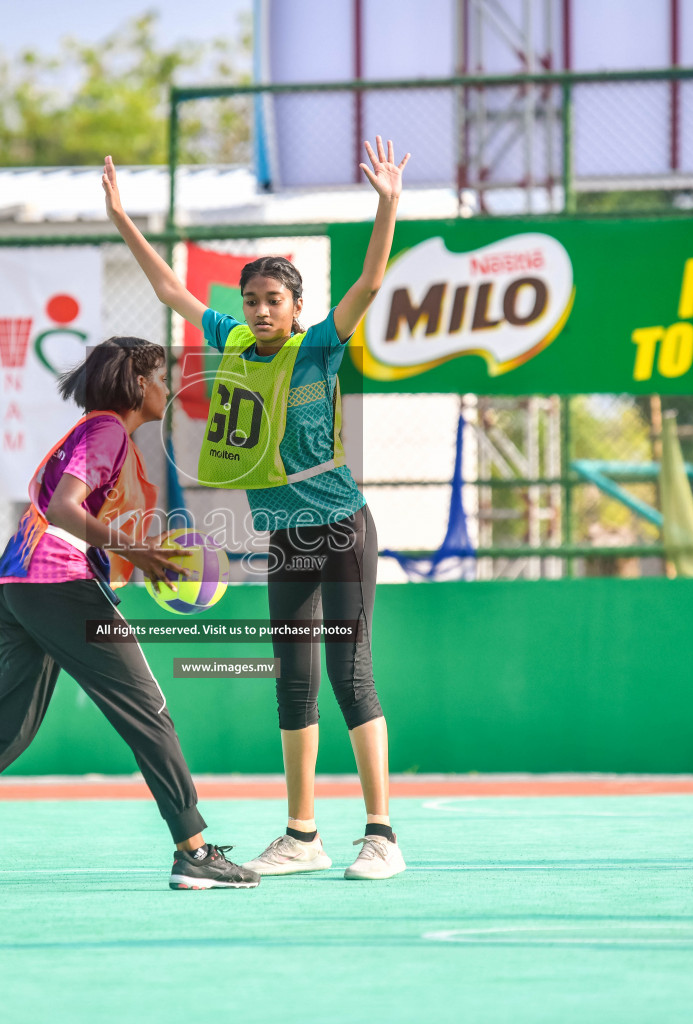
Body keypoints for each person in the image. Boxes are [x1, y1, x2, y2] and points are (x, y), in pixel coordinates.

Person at [103, 138, 409, 880]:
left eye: (275, 300)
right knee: (292, 680)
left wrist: (388, 204)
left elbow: (370, 282)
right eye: (253, 300)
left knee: (351, 675)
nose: (263, 310)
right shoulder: (233, 342)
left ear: (297, 308)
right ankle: (303, 835)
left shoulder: (319, 349)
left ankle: (382, 836)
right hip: (284, 535)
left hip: (339, 525)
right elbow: (174, 291)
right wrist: (122, 221)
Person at [0, 337, 259, 893]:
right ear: (136, 383)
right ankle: (194, 849)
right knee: (148, 710)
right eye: (160, 378)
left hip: (20, 584)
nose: (167, 389)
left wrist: (133, 552)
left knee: (8, 731)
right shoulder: (106, 429)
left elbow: (72, 510)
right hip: (59, 585)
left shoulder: (93, 433)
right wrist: (134, 551)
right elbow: (65, 507)